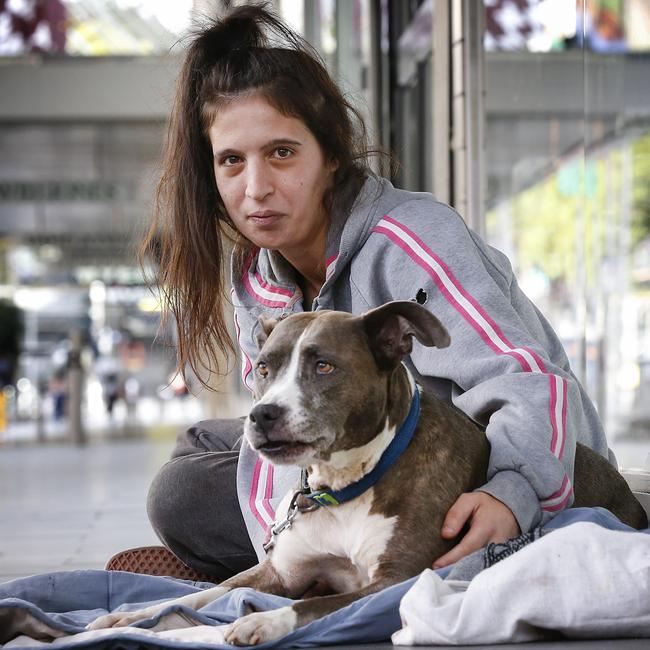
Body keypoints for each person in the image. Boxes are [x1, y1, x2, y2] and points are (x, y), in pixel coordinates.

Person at [143, 4, 614, 582]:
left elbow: (527, 381)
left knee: (183, 491)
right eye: (232, 162)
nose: (257, 188)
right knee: (196, 450)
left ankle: (314, 574)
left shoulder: (411, 238)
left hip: (492, 478)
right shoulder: (255, 276)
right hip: (357, 481)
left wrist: (513, 494)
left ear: (332, 156)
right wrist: (281, 549)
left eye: (282, 153)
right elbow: (297, 430)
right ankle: (307, 568)